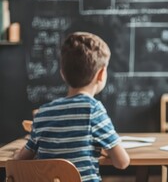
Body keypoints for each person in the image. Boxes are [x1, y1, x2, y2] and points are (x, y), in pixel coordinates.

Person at [14, 32, 130, 182]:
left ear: (62, 74)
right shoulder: (93, 110)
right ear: (101, 74)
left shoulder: (42, 113)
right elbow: (122, 162)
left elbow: (21, 160)